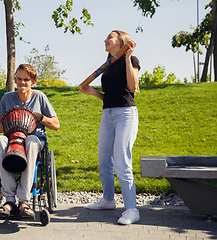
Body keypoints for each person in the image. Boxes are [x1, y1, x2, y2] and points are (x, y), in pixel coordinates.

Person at [78, 30, 140, 225]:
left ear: (121, 41)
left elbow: (132, 87)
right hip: (108, 113)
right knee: (104, 160)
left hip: (125, 114)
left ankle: (131, 209)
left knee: (122, 161)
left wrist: (128, 57)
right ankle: (108, 199)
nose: (105, 40)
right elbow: (110, 96)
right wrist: (94, 93)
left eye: (109, 37)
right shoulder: (108, 65)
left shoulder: (131, 59)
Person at [0, 64, 60, 218]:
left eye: (26, 80)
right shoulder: (7, 98)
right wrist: (7, 121)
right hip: (12, 140)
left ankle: (24, 201)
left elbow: (56, 125)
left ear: (33, 81)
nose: (22, 83)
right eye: (19, 79)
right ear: (15, 79)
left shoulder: (40, 97)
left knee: (31, 139)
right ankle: (9, 200)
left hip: (34, 140)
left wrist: (41, 118)